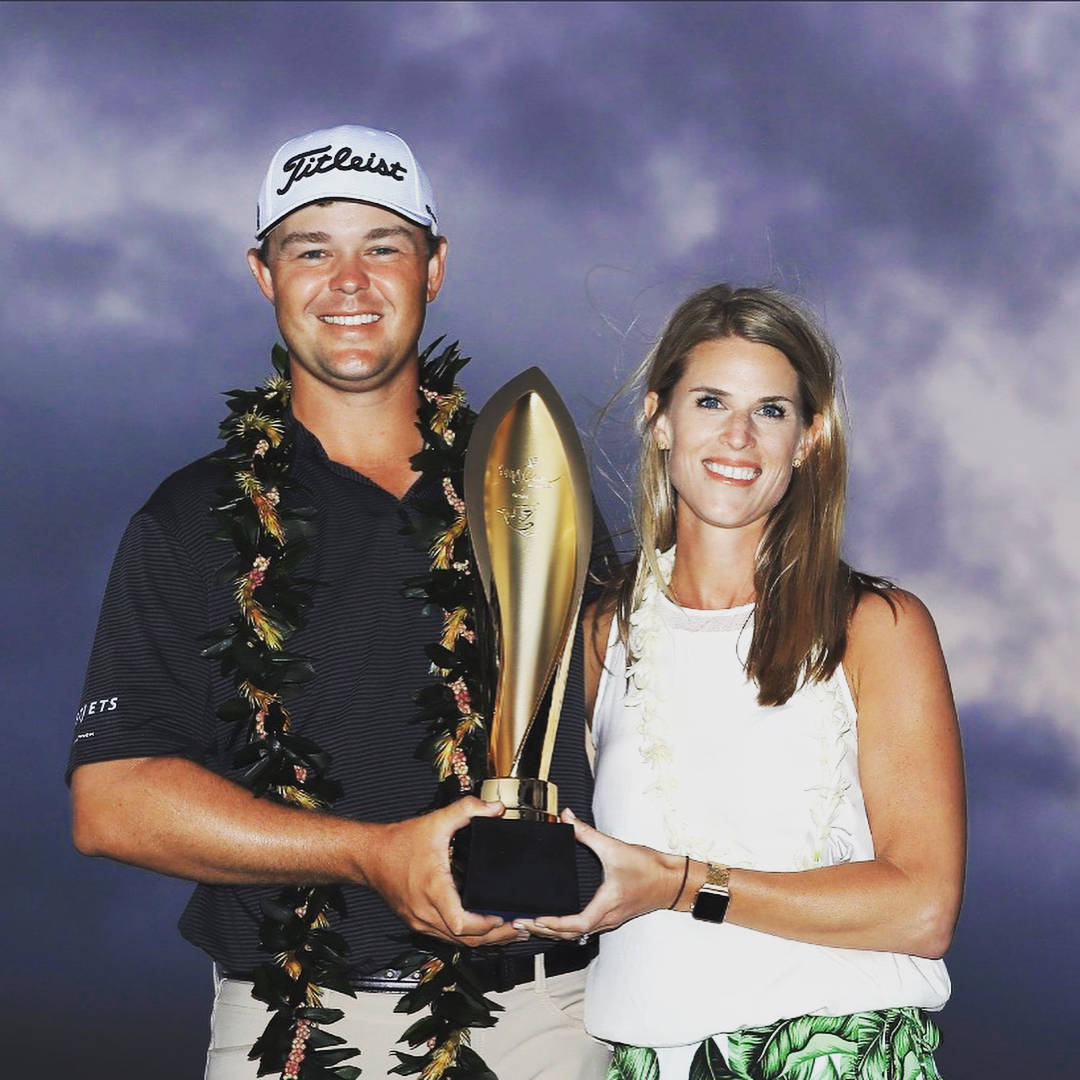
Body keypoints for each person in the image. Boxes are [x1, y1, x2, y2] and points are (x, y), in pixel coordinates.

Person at [68, 124, 609, 1080]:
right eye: (311, 248)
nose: (348, 281)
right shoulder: (191, 517)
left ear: (434, 268)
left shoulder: (533, 485)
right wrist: (372, 854)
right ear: (263, 273)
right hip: (291, 1025)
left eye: (384, 247)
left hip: (545, 1017)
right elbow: (112, 802)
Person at [523, 285, 965, 1079]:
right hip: (640, 1059)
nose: (738, 435)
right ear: (659, 420)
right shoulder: (598, 633)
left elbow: (922, 907)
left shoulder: (874, 626)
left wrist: (678, 884)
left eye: (771, 411)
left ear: (808, 439)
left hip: (835, 1051)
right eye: (711, 401)